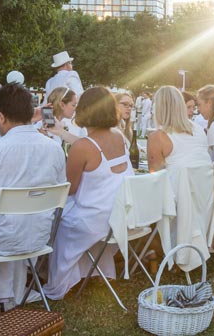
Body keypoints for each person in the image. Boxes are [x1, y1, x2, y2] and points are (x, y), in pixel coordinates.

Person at [0, 83, 67, 315]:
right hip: (40, 238)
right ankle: (5, 297)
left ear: (0, 117)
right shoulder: (55, 149)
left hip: (3, 239)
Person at [44, 86, 133, 300]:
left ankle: (57, 278)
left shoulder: (83, 147)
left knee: (55, 217)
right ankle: (90, 273)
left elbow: (69, 189)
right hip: (120, 216)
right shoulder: (119, 136)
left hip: (95, 221)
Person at [147, 85, 211, 174]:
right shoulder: (199, 129)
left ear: (158, 107)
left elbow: (155, 176)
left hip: (178, 186)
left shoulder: (158, 137)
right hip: (204, 185)